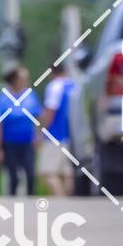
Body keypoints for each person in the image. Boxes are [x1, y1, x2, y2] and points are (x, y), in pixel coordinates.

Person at [0, 67, 42, 195]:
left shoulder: (31, 96)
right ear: (14, 80)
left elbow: (38, 118)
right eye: (22, 78)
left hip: (27, 142)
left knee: (30, 174)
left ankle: (31, 199)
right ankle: (12, 201)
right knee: (13, 177)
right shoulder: (3, 99)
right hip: (10, 143)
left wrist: (38, 135)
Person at [39, 63, 75, 196]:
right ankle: (70, 200)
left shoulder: (55, 86)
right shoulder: (74, 85)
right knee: (67, 174)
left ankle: (60, 201)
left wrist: (40, 132)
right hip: (72, 136)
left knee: (47, 173)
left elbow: (50, 111)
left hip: (55, 136)